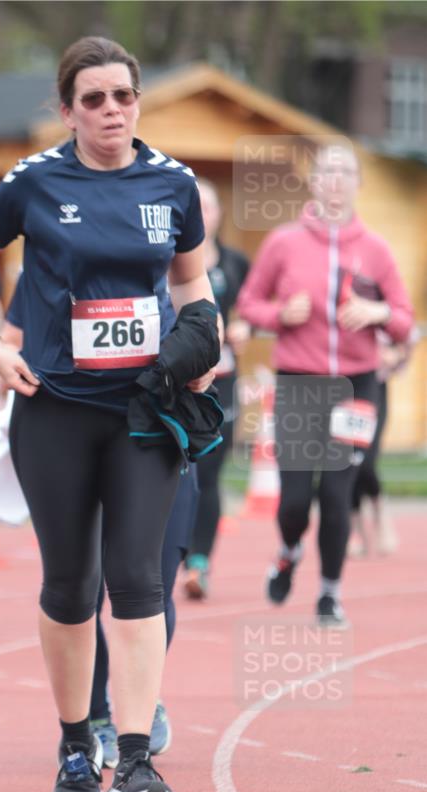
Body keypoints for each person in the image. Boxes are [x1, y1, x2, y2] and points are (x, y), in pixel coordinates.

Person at [0, 36, 219, 792]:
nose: (111, 110)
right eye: (93, 98)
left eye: (123, 96)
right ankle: (75, 750)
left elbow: (191, 277)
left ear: (138, 102)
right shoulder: (32, 182)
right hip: (56, 411)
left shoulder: (172, 183)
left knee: (137, 581)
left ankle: (134, 761)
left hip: (144, 409)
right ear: (67, 109)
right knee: (71, 585)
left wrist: (204, 337)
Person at [1, 282, 206, 767]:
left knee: (151, 581)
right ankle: (93, 715)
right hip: (78, 434)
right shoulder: (59, 246)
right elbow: (12, 334)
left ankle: (140, 699)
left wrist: (203, 357)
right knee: (83, 587)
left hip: (156, 432)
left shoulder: (170, 250)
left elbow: (204, 323)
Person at [237, 143, 414, 627]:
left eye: (346, 172)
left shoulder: (376, 250)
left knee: (338, 496)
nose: (336, 180)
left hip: (356, 386)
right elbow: (249, 304)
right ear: (314, 183)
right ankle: (289, 548)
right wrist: (280, 314)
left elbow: (404, 319)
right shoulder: (283, 242)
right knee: (294, 502)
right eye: (327, 172)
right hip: (299, 382)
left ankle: (329, 595)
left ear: (358, 183)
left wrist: (377, 313)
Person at [183, 179, 250, 600]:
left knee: (208, 475)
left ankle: (199, 562)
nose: (203, 214)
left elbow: (258, 305)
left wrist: (247, 326)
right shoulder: (168, 259)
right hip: (178, 385)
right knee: (177, 474)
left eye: (208, 206)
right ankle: (173, 553)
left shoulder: (235, 263)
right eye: (196, 206)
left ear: (219, 214)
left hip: (223, 386)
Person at [348, 336, 412, 557]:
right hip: (340, 383)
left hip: (373, 385)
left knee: (365, 460)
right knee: (347, 458)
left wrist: (397, 354)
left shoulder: (382, 300)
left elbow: (405, 331)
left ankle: (380, 515)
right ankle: (355, 530)